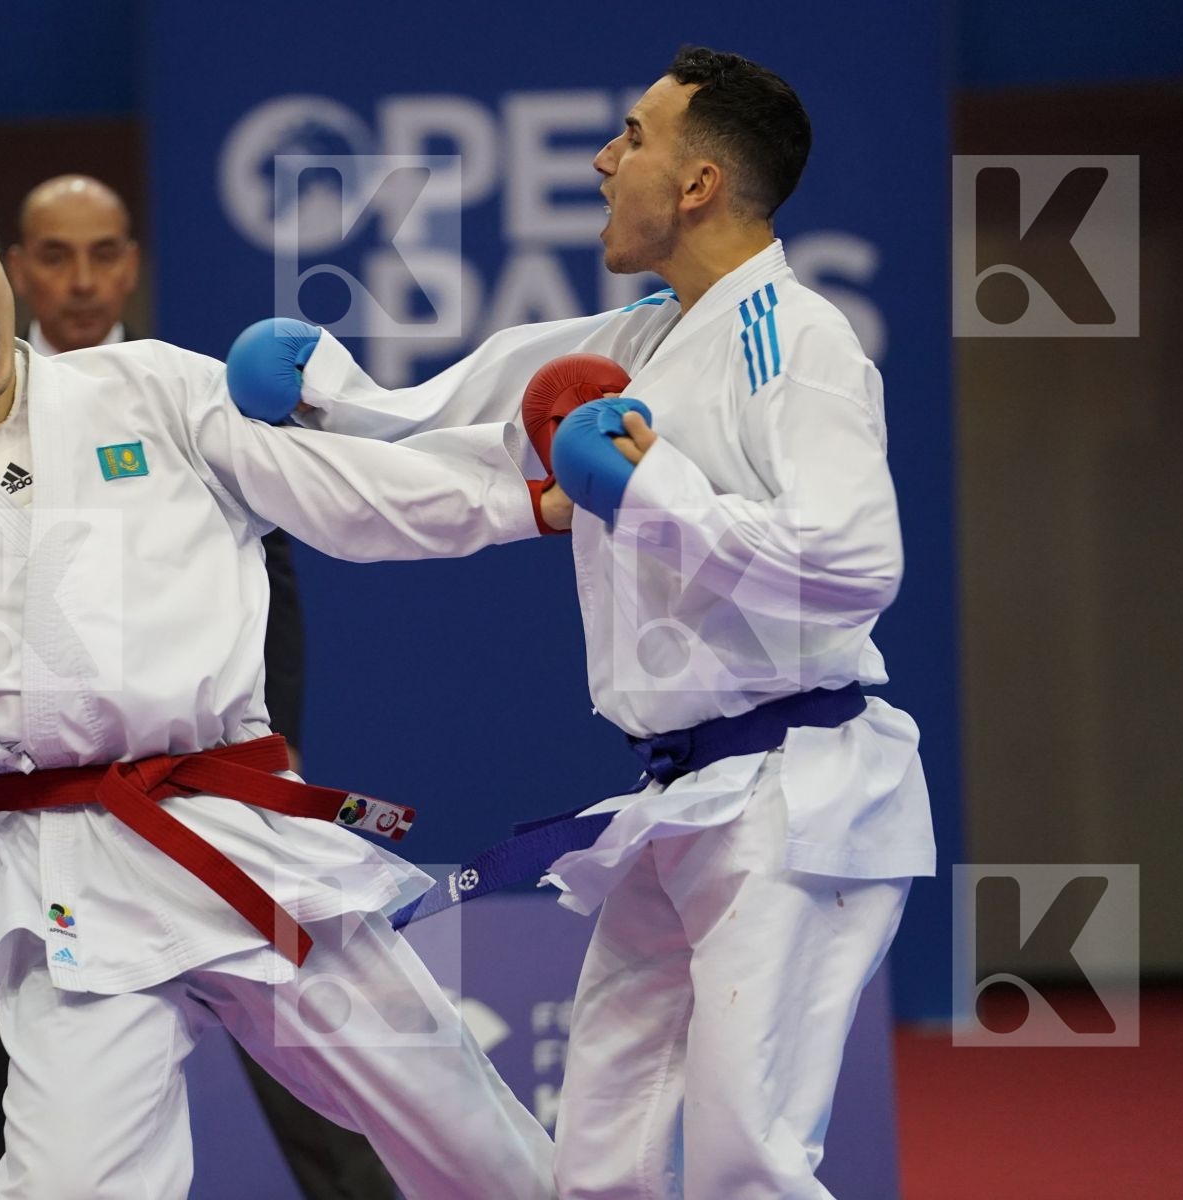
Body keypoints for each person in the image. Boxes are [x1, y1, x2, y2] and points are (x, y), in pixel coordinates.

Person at [223, 46, 936, 1200]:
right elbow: (458, 421)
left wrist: (656, 499)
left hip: (800, 792)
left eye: (636, 138)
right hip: (682, 797)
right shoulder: (645, 336)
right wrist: (327, 398)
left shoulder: (797, 342)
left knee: (746, 1158)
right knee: (597, 1166)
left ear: (699, 183)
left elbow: (855, 565)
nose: (606, 161)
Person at [0, 173, 558, 1200]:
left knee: (463, 1130)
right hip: (65, 876)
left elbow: (347, 491)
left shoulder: (150, 388)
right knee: (70, 1184)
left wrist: (525, 498)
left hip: (227, 824)